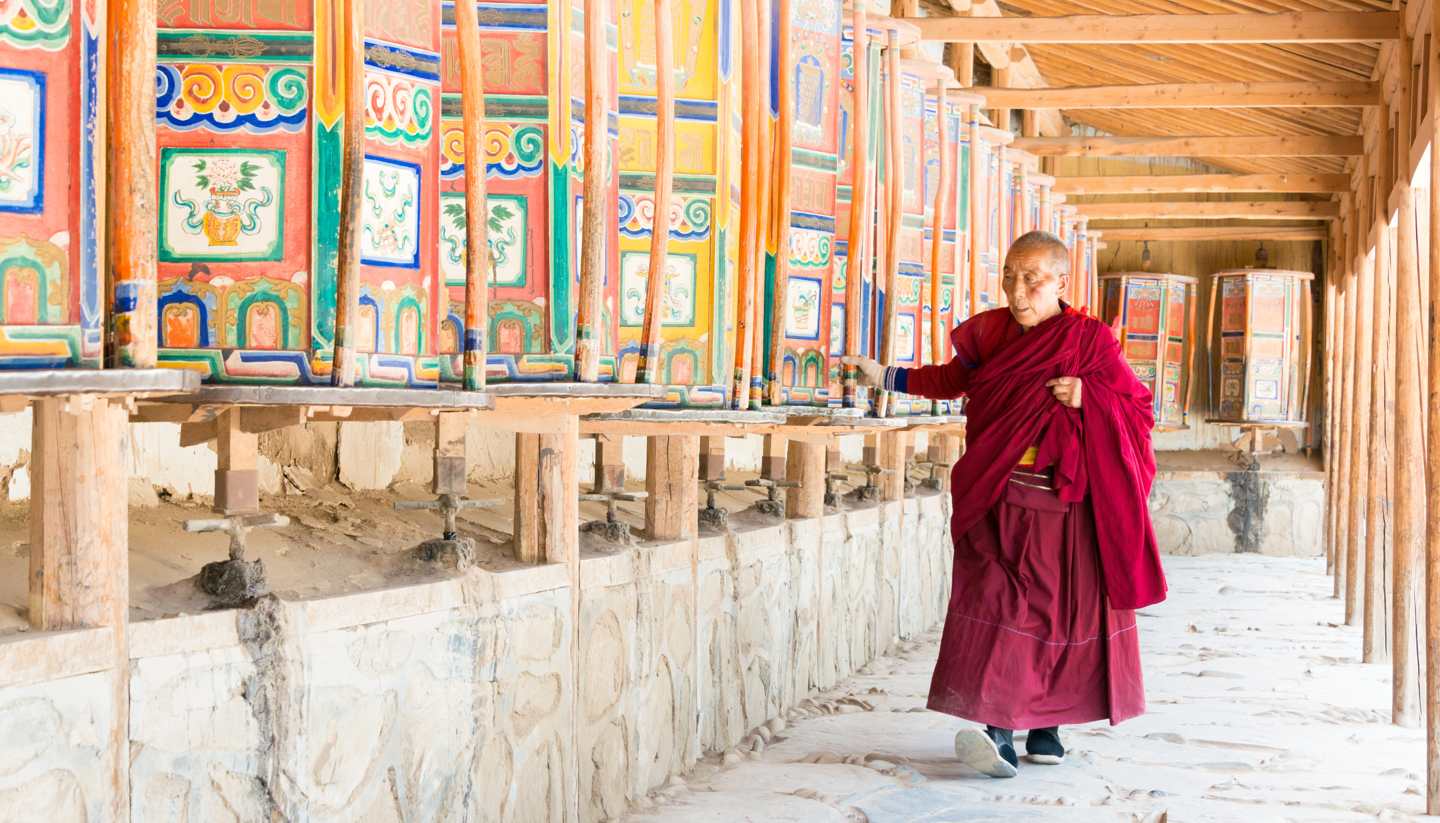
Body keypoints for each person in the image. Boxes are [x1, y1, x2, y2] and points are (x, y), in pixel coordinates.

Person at [843, 230, 1166, 778]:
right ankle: (998, 730)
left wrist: (1091, 397)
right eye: (1010, 278)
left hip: (1063, 508)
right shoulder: (992, 332)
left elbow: (1137, 410)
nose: (1019, 292)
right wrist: (889, 377)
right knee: (1000, 605)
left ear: (1062, 282)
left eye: (1033, 280)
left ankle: (1045, 728)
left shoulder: (1089, 341)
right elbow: (954, 380)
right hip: (998, 493)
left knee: (1053, 613)